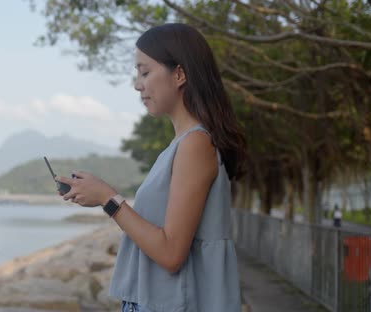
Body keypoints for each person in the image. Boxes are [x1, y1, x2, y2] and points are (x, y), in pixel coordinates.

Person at [55, 23, 246, 312]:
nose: (137, 84)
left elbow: (171, 253)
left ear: (179, 74)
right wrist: (101, 196)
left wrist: (108, 198)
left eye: (145, 72)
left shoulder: (195, 145)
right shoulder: (181, 145)